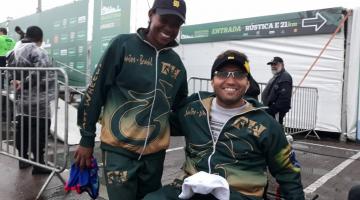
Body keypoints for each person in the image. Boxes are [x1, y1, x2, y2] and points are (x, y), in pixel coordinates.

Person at [144, 50, 304, 200]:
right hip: (189, 188)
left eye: (239, 75)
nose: (230, 80)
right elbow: (154, 122)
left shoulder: (267, 124)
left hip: (241, 194)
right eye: (222, 74)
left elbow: (288, 173)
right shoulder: (191, 110)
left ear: (247, 83)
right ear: (212, 81)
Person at [75, 0, 188, 199]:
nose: (169, 28)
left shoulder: (176, 63)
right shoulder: (123, 45)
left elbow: (180, 107)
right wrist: (86, 139)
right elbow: (95, 92)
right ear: (151, 14)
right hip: (119, 151)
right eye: (164, 19)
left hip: (155, 157)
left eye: (176, 24)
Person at [6, 26, 55, 174]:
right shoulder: (37, 51)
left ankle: (23, 160)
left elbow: (8, 71)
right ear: (40, 38)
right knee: (39, 130)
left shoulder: (15, 51)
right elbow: (40, 72)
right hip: (38, 101)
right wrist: (24, 83)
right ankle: (39, 164)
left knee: (23, 129)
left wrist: (13, 81)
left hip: (21, 101)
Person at [261, 56, 293, 125]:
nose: (273, 66)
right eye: (271, 64)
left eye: (275, 64)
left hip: (275, 112)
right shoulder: (277, 75)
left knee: (276, 130)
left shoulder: (285, 77)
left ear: (282, 65)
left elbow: (284, 98)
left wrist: (273, 110)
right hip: (270, 110)